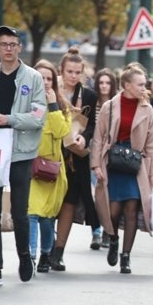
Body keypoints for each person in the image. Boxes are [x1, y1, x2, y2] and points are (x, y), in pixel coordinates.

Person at [0, 25, 47, 287]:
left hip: (21, 151)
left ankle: (24, 256)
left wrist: (9, 118)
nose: (8, 49)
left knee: (19, 211)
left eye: (12, 44)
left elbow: (39, 115)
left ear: (19, 47)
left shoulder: (33, 77)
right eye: (3, 44)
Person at [91, 64, 153, 274]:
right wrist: (96, 165)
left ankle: (126, 256)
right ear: (127, 85)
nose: (143, 87)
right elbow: (98, 137)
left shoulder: (148, 109)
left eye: (144, 84)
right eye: (139, 84)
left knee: (131, 209)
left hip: (136, 163)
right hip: (113, 160)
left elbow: (152, 142)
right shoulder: (110, 106)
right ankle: (113, 239)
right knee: (112, 210)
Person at [48, 47, 99, 271]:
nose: (73, 76)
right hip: (50, 152)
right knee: (49, 202)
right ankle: (44, 248)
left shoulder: (88, 95)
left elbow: (92, 127)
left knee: (69, 202)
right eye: (69, 71)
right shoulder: (49, 89)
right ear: (61, 70)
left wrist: (84, 138)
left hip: (75, 158)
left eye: (77, 72)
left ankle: (58, 251)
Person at [28, 60, 72, 273]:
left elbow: (61, 132)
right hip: (30, 168)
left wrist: (53, 105)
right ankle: (30, 256)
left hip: (51, 171)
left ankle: (46, 252)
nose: (45, 83)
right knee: (31, 213)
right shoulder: (25, 102)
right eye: (40, 78)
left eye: (49, 79)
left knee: (46, 218)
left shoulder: (62, 107)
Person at [89, 68, 119, 250]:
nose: (104, 86)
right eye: (101, 83)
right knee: (96, 193)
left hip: (111, 153)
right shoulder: (92, 102)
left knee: (109, 194)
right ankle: (96, 232)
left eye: (108, 83)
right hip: (93, 149)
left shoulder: (117, 103)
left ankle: (109, 231)